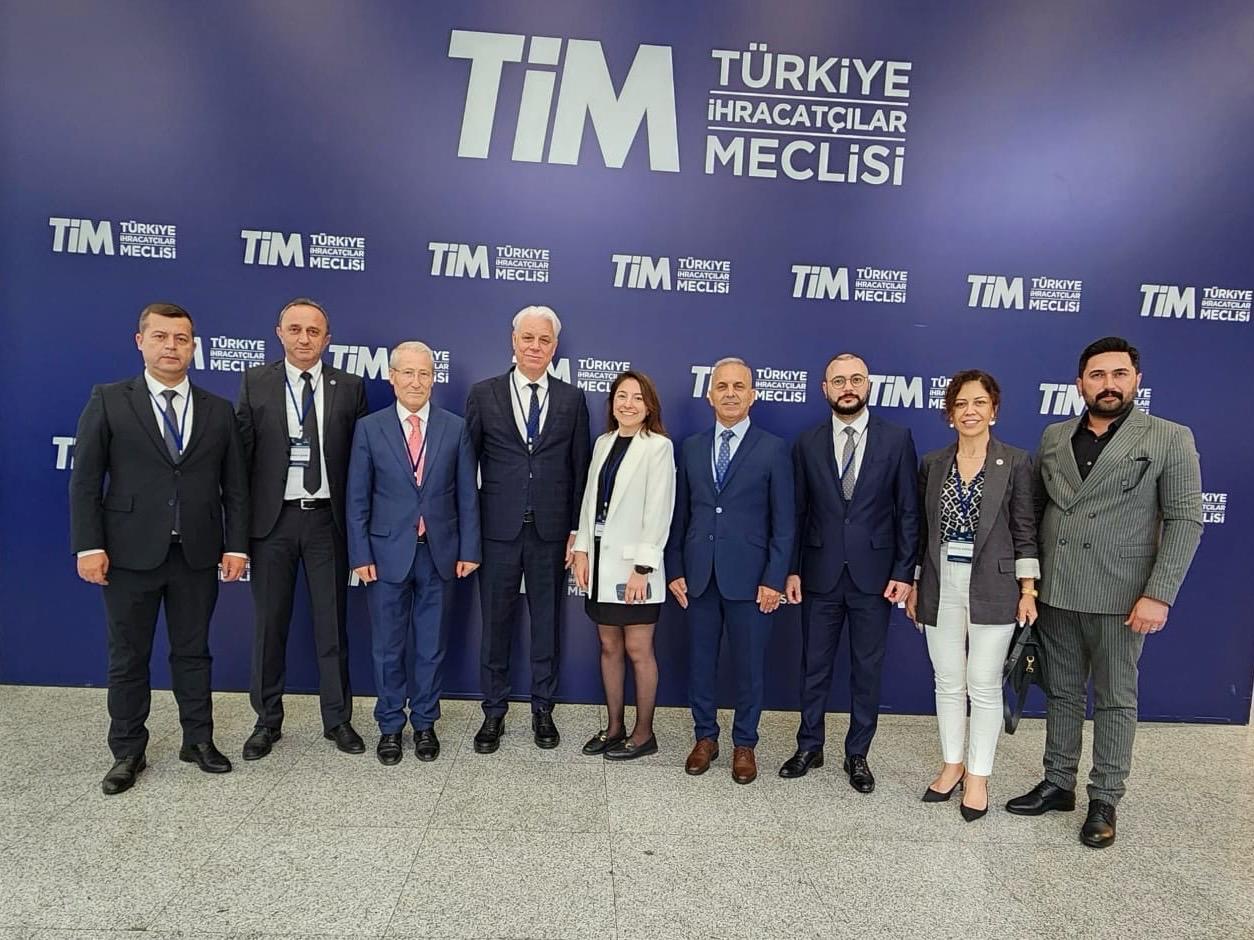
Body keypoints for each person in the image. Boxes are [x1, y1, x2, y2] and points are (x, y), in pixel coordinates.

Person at [1007, 337, 1202, 848]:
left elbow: (1185, 520)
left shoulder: (1169, 437)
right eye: (1097, 375)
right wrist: (1029, 583)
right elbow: (1035, 512)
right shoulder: (1054, 436)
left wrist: (1159, 593)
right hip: (1057, 591)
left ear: (1137, 380)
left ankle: (1104, 798)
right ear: (1080, 384)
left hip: (1123, 597)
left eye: (1119, 374)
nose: (1108, 384)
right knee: (1062, 692)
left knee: (1115, 700)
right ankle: (1058, 783)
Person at [70, 302, 249, 794]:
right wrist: (88, 546)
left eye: (181, 339)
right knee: (128, 656)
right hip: (128, 554)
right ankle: (128, 751)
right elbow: (85, 480)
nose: (172, 346)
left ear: (194, 347)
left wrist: (236, 546)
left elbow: (235, 488)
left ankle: (198, 740)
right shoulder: (110, 400)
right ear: (141, 342)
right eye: (161, 337)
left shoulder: (218, 410)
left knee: (194, 653)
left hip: (197, 553)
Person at [235, 298, 369, 759]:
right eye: (295, 329)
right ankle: (266, 722)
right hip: (272, 523)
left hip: (326, 522)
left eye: (314, 331)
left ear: (327, 339)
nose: (304, 338)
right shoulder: (255, 382)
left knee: (332, 627)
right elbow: (241, 462)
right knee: (269, 627)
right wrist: (237, 536)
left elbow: (360, 464)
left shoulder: (349, 387)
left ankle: (338, 720)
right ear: (280, 333)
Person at [779, 352, 918, 793]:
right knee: (814, 666)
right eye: (838, 381)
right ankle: (809, 745)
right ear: (825, 389)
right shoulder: (807, 442)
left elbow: (908, 512)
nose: (848, 388)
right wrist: (792, 570)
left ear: (868, 385)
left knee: (867, 670)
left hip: (875, 577)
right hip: (819, 573)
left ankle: (858, 753)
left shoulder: (897, 439)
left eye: (856, 379)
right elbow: (797, 513)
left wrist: (904, 571)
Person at [905, 370, 1039, 821]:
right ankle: (952, 765)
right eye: (961, 404)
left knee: (982, 682)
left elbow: (1024, 530)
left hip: (995, 585)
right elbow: (923, 532)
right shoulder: (933, 464)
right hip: (940, 581)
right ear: (950, 414)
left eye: (979, 403)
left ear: (993, 411)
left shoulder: (1015, 462)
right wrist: (916, 583)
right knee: (947, 681)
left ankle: (978, 775)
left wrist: (1028, 589)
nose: (970, 411)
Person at [347, 341, 480, 764]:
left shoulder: (454, 427)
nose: (416, 382)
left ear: (433, 379)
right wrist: (360, 554)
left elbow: (467, 495)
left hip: (440, 554)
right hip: (385, 554)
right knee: (387, 647)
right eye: (408, 373)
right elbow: (357, 497)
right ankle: (389, 725)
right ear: (392, 377)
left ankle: (424, 723)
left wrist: (469, 548)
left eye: (424, 374)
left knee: (430, 647)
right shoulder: (370, 428)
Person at [464, 305, 591, 752]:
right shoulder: (483, 394)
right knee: (495, 626)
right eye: (528, 338)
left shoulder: (573, 399)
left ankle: (543, 709)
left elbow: (580, 471)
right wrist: (469, 534)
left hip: (550, 534)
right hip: (496, 531)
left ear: (554, 347)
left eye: (544, 340)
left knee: (547, 626)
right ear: (513, 341)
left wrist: (576, 532)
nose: (536, 347)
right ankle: (493, 712)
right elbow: (466, 467)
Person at [666, 358, 794, 784]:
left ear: (752, 395)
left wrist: (774, 578)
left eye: (739, 386)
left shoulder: (773, 449)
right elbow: (680, 514)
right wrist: (675, 567)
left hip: (752, 581)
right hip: (699, 576)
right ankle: (705, 737)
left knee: (749, 668)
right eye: (722, 386)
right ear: (710, 395)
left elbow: (784, 523)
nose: (731, 393)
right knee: (700, 664)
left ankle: (744, 744)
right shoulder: (692, 447)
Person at [572, 371, 675, 760]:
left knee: (638, 649)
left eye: (637, 398)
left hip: (635, 569)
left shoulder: (658, 447)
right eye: (621, 396)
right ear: (612, 403)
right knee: (608, 646)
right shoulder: (603, 443)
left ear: (649, 407)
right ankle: (614, 728)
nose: (628, 404)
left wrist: (643, 569)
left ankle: (644, 733)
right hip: (602, 565)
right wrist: (582, 550)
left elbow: (659, 511)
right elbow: (589, 502)